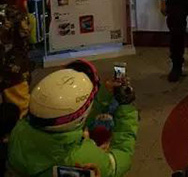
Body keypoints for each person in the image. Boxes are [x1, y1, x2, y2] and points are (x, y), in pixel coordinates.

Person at [7, 60, 138, 177]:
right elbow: (120, 160)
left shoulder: (18, 131)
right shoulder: (83, 159)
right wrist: (127, 109)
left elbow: (69, 121)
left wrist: (103, 95)